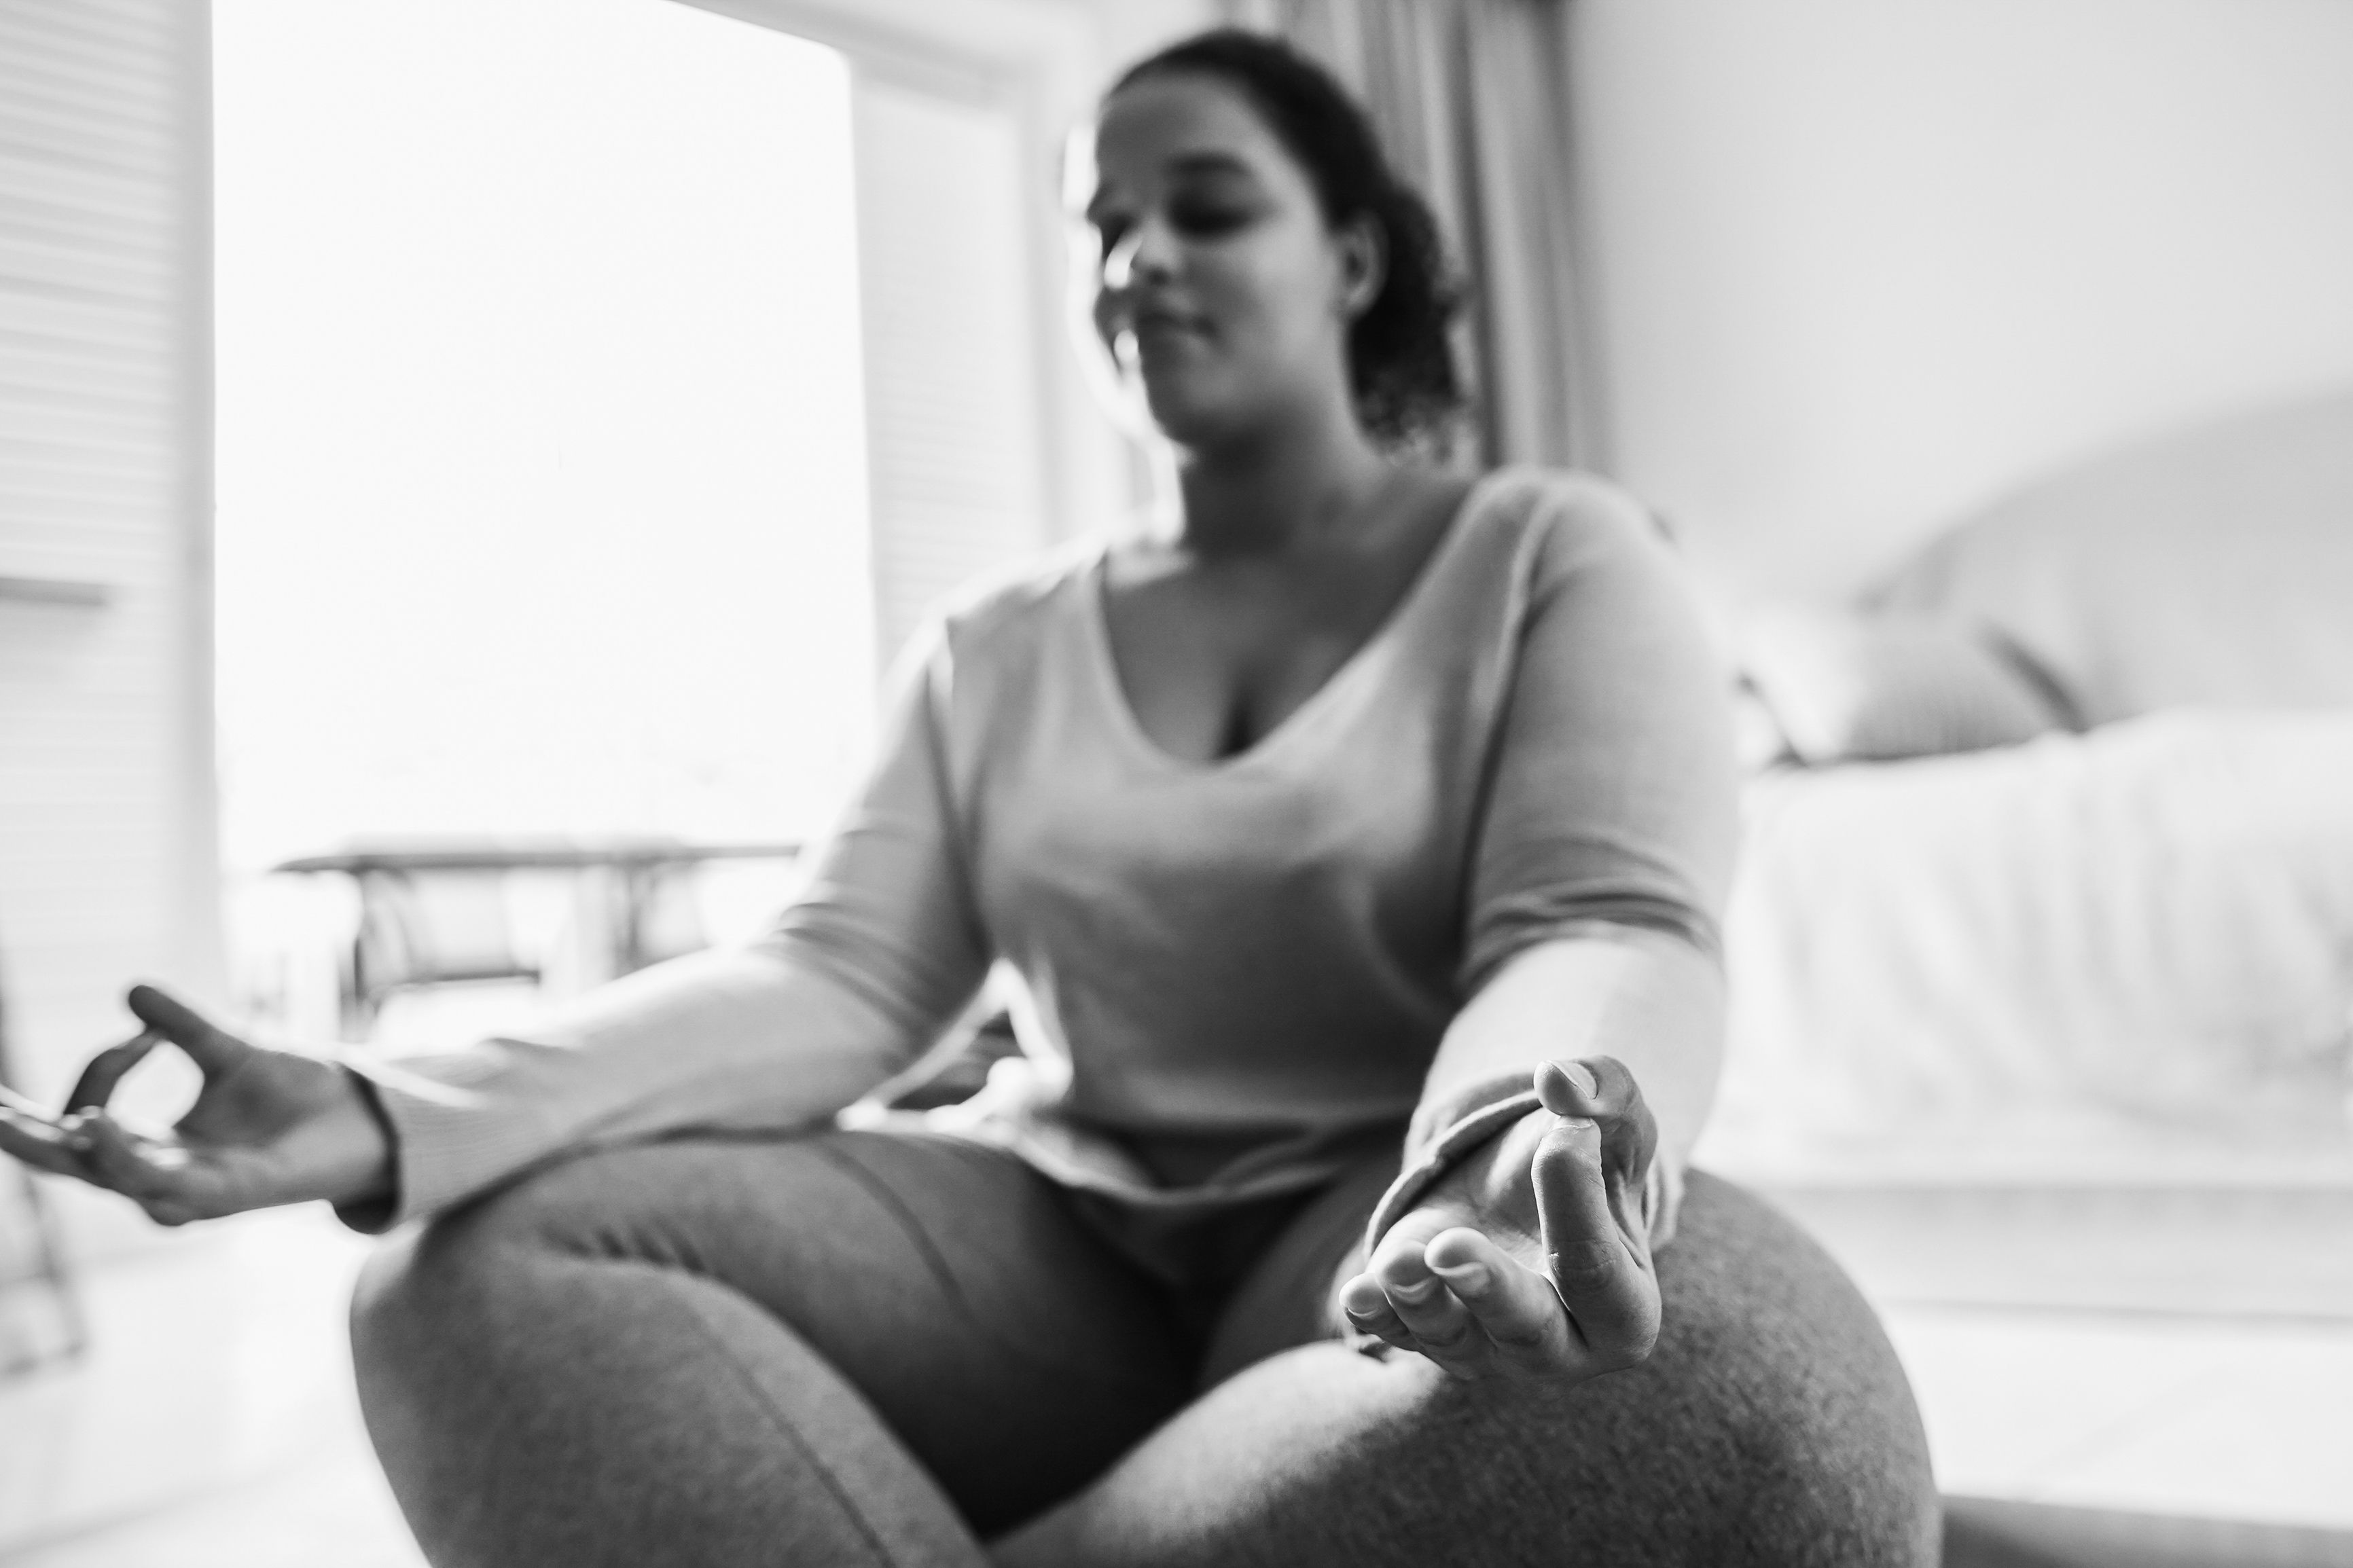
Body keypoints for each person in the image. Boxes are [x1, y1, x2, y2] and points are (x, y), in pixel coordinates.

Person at [0, 29, 1936, 1567]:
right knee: (458, 1281)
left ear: (1348, 258)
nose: (1138, 258)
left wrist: (1520, 1143)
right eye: (1103, 225)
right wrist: (377, 1111)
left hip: (1402, 1233)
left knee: (1746, 1433)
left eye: (1207, 208)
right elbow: (829, 985)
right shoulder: (995, 643)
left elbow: (1600, 928)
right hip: (1050, 1257)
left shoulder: (1554, 552)